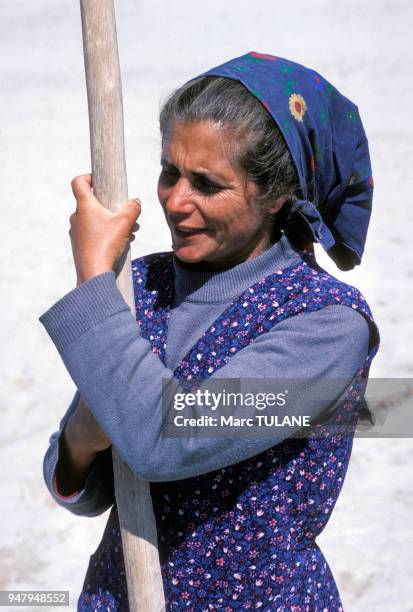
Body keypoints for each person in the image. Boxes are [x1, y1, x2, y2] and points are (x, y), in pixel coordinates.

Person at [40, 52, 380, 610]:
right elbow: (76, 486)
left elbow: (160, 440)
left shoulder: (325, 326)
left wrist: (90, 279)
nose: (175, 201)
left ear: (276, 195)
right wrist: (81, 437)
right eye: (169, 172)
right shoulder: (139, 285)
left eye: (207, 183)